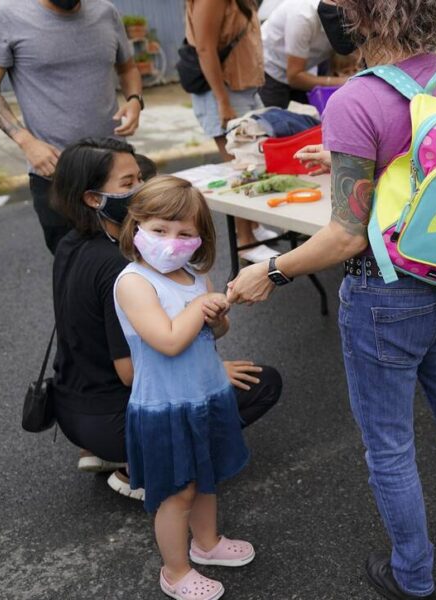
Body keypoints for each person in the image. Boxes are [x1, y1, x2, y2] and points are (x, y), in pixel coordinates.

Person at [228, 1, 436, 598]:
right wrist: (346, 157)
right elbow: (425, 151)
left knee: (389, 443)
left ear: (362, 18)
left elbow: (344, 235)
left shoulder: (358, 98)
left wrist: (270, 271)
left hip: (386, 294)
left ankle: (413, 575)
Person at [50, 140, 282, 501]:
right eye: (128, 184)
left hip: (73, 407)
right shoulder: (124, 271)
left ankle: (107, 451)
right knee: (263, 383)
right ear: (93, 198)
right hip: (120, 412)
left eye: (140, 177)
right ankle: (139, 468)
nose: (141, 189)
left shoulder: (71, 243)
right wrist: (211, 370)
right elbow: (131, 371)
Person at [114, 176, 254, 599]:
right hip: (165, 406)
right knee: (177, 492)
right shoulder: (134, 282)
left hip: (206, 395)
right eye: (159, 230)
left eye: (185, 233)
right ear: (136, 228)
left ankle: (207, 544)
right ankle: (175, 572)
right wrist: (198, 309)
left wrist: (217, 318)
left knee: (206, 477)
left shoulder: (195, 276)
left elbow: (211, 333)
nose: (171, 241)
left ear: (200, 239)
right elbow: (170, 340)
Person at [0, 0, 142, 255]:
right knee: (74, 268)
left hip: (116, 170)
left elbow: (128, 68)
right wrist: (26, 141)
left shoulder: (105, 11)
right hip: (56, 171)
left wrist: (135, 100)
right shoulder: (5, 13)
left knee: (134, 260)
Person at [186, 0, 280, 263]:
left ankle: (252, 227)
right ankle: (245, 240)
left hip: (245, 88)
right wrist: (222, 100)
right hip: (225, 93)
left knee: (255, 164)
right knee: (241, 166)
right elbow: (205, 47)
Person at [259, 0, 352, 108]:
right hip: (272, 69)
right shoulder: (303, 16)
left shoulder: (347, 15)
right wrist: (344, 81)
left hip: (304, 66)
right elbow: (295, 77)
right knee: (275, 117)